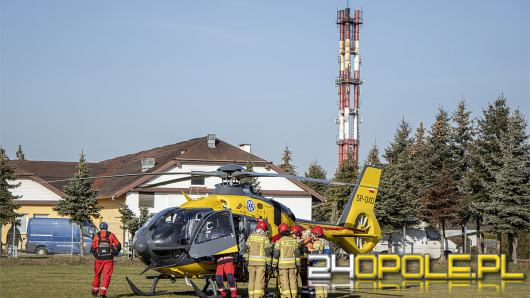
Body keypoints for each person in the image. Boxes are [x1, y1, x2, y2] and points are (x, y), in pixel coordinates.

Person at [90, 222, 121, 298]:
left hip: (99, 258)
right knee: (106, 276)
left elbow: (92, 248)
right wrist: (114, 253)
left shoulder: (96, 235)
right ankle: (102, 294)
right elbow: (118, 245)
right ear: (107, 227)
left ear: (100, 228)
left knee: (97, 275)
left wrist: (96, 256)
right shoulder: (111, 235)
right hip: (108, 259)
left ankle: (94, 291)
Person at [244, 220, 271, 298]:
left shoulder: (250, 236)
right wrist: (269, 263)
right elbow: (267, 252)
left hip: (251, 263)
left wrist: (246, 259)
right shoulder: (265, 238)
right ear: (264, 229)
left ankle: (251, 296)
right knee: (259, 281)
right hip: (261, 264)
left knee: (251, 280)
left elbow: (245, 248)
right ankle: (257, 296)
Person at [273, 223, 300, 298]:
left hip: (282, 267)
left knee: (284, 282)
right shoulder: (293, 241)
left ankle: (287, 296)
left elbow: (276, 254)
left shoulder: (279, 241)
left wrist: (274, 266)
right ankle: (294, 296)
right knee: (293, 281)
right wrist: (298, 264)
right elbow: (297, 253)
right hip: (293, 266)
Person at [291, 225, 310, 297]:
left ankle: (303, 295)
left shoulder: (301, 243)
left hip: (301, 264)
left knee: (301, 281)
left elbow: (305, 255)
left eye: (293, 233)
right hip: (299, 264)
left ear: (297, 234)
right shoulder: (300, 243)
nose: (291, 234)